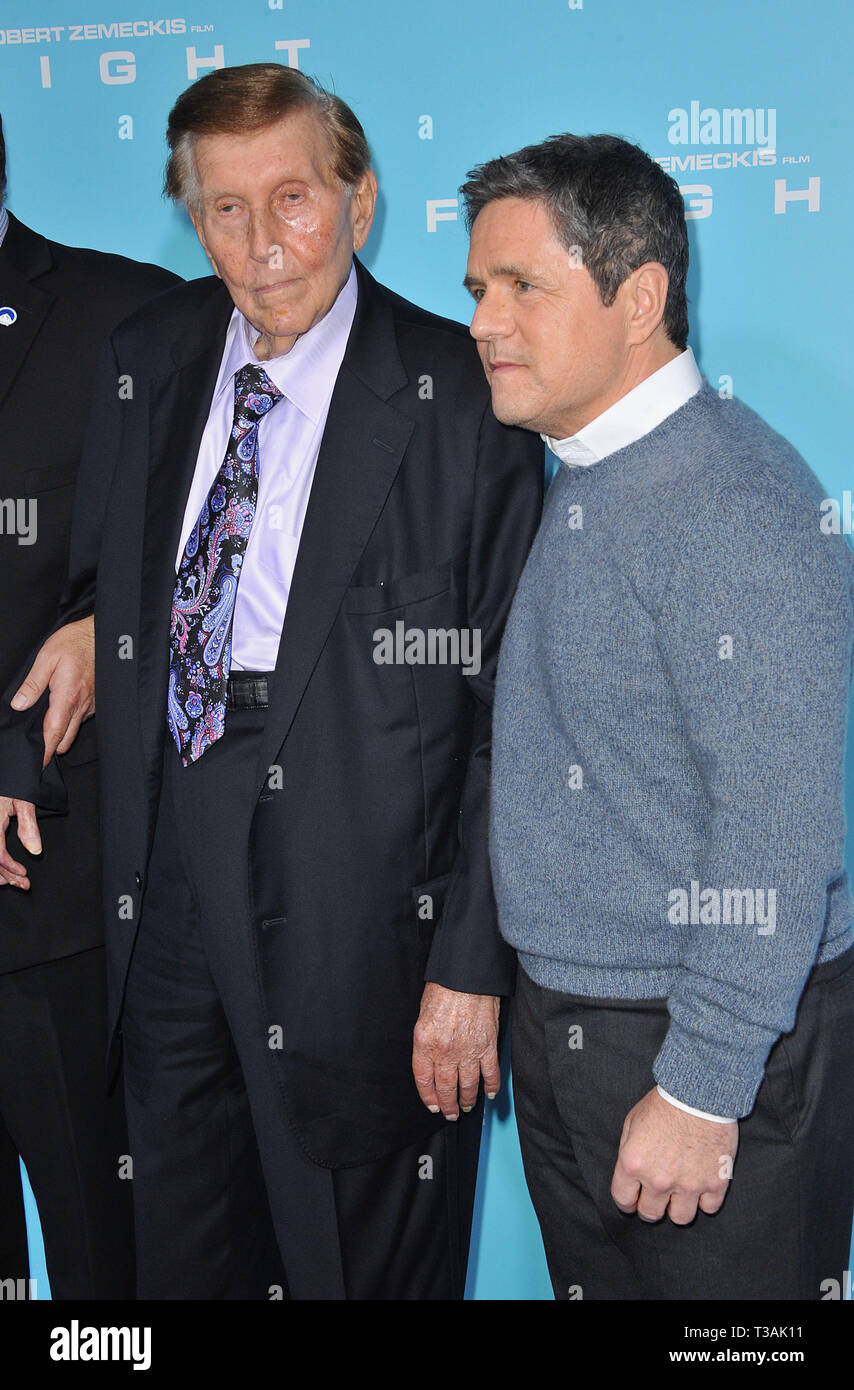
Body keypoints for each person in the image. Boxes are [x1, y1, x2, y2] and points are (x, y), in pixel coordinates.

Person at [0, 66, 543, 1299]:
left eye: (292, 198)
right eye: (224, 209)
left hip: (365, 916)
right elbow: (103, 601)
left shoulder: (461, 394)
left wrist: (468, 966)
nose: (262, 243)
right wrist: (33, 733)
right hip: (162, 879)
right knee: (178, 1261)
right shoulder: (149, 355)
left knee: (353, 1265)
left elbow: (516, 712)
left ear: (358, 203)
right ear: (192, 220)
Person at [461, 132, 854, 1301]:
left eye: (521, 286)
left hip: (701, 1045)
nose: (483, 321)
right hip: (582, 1028)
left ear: (639, 297)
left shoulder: (731, 504)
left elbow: (777, 830)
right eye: (477, 288)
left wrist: (699, 1084)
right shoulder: (583, 473)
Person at [0, 113, 179, 1297]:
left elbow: (219, 564)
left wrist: (103, 625)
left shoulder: (135, 317)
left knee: (101, 1274)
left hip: (47, 898)